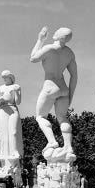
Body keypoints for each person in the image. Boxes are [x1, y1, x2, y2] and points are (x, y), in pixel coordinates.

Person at [30, 26, 78, 163]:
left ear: (57, 35)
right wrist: (70, 95)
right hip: (64, 88)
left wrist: (40, 40)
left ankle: (52, 142)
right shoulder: (69, 53)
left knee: (40, 117)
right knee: (63, 118)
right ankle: (68, 147)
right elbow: (74, 76)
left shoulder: (49, 48)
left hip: (50, 87)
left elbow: (33, 58)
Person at [0, 70, 23, 179]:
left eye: (6, 77)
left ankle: (14, 153)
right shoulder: (0, 88)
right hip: (3, 110)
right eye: (3, 78)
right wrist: (1, 99)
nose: (5, 79)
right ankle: (2, 154)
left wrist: (16, 92)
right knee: (2, 135)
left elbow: (18, 101)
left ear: (11, 77)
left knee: (13, 132)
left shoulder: (16, 86)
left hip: (13, 110)